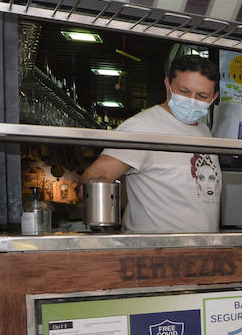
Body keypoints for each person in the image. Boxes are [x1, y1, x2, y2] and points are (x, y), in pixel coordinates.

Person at [81, 54, 222, 233]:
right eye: (184, 92)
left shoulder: (204, 131)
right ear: (167, 85)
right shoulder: (143, 127)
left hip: (201, 251)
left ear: (214, 97)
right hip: (156, 253)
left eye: (202, 96)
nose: (192, 101)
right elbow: (94, 177)